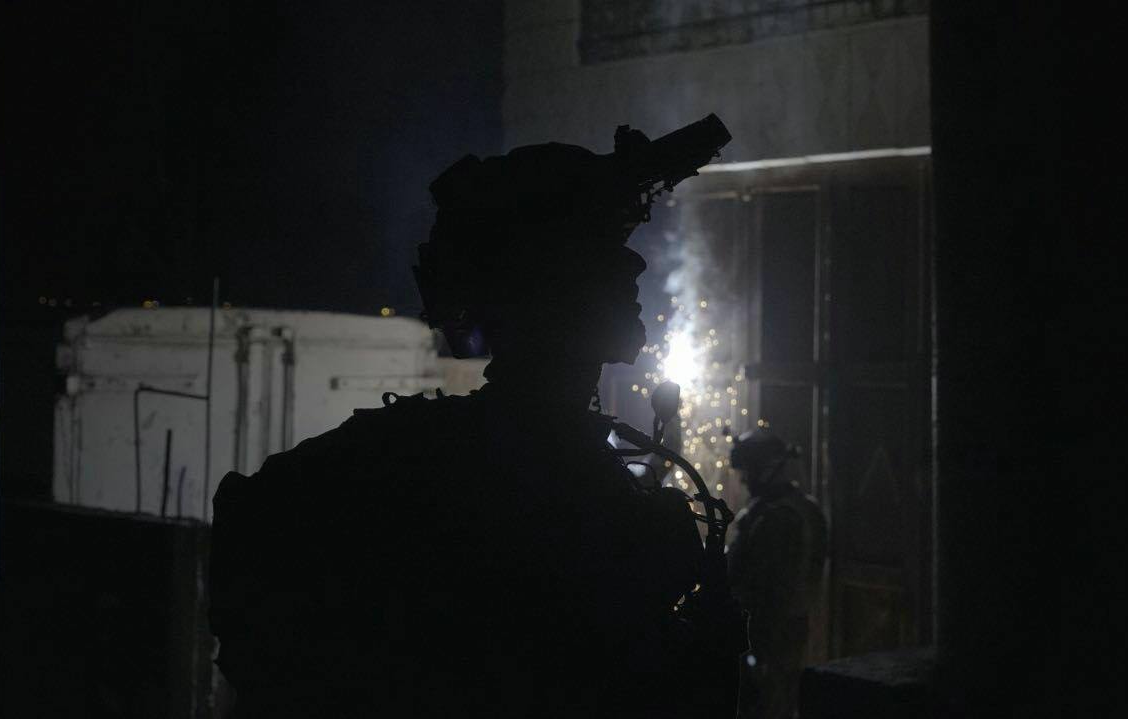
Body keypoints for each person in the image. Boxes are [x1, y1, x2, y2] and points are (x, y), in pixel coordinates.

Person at [208, 119, 746, 717]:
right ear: (540, 284)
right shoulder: (447, 467)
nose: (636, 268)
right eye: (602, 250)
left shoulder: (494, 456)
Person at [727, 429, 828, 719]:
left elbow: (759, 586)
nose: (744, 480)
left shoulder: (778, 517)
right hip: (784, 633)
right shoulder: (801, 508)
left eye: (748, 472)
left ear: (766, 469)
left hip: (767, 637)